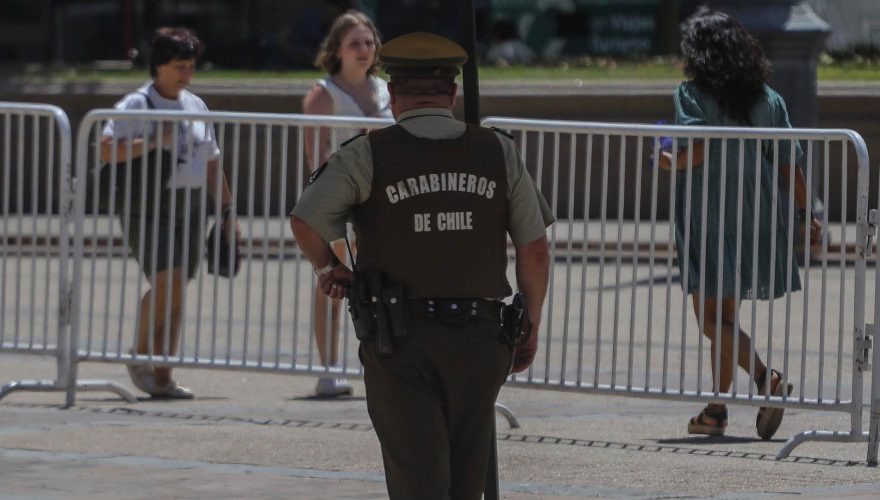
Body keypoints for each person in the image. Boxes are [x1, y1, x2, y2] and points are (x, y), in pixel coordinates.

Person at [290, 32, 553, 499]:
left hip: (399, 340)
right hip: (481, 336)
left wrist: (328, 270)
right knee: (468, 478)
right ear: (451, 94)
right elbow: (534, 249)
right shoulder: (498, 151)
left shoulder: (366, 154)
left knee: (418, 479)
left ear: (394, 96)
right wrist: (529, 322)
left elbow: (305, 221)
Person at [660, 11, 823, 439]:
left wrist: (667, 162)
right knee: (726, 317)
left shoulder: (691, 94)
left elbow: (696, 153)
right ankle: (716, 410)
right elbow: (791, 165)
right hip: (755, 215)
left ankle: (766, 377)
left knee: (710, 320)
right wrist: (808, 214)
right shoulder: (767, 99)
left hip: (708, 215)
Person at [100, 27, 239, 399]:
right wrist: (152, 141)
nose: (186, 74)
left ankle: (163, 376)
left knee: (177, 290)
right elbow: (106, 149)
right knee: (169, 282)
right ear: (159, 66)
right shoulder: (136, 104)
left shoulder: (196, 105)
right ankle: (140, 353)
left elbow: (212, 162)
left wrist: (226, 209)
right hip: (147, 205)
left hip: (191, 206)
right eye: (179, 66)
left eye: (191, 66)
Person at [300, 10, 392, 398]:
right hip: (340, 200)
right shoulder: (323, 94)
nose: (364, 50)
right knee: (334, 281)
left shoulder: (386, 89)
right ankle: (327, 366)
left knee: (382, 279)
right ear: (337, 48)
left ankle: (382, 361)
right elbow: (314, 156)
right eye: (355, 43)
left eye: (369, 42)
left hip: (383, 198)